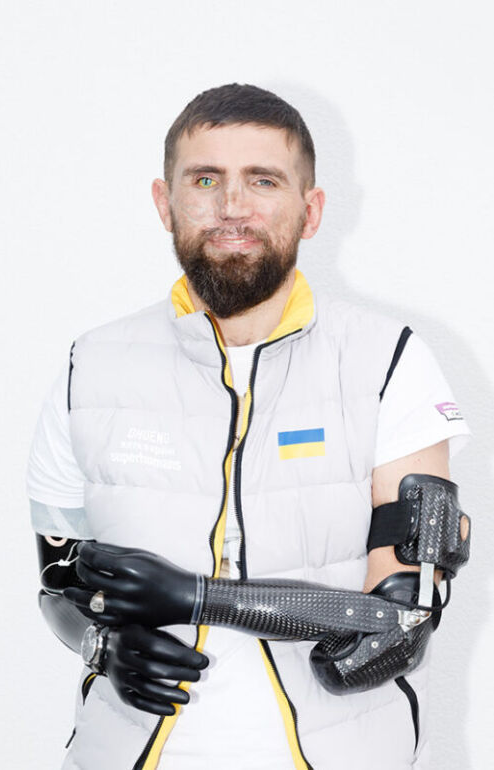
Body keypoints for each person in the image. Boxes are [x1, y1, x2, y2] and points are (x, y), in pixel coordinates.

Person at [28, 83, 471, 770]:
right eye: (204, 180)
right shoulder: (88, 367)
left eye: (263, 180)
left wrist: (199, 599)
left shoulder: (390, 362)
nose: (232, 206)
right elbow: (60, 582)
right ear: (164, 202)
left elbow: (399, 626)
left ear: (310, 210)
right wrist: (101, 644)